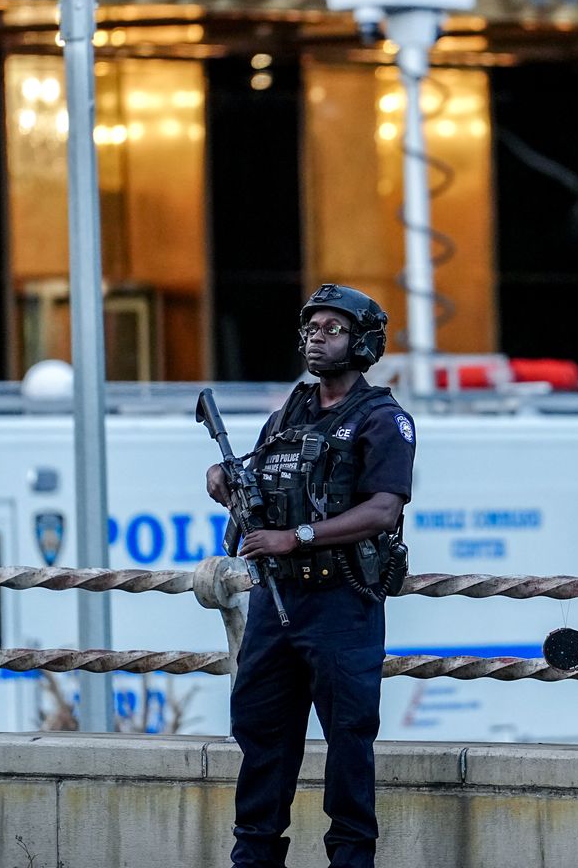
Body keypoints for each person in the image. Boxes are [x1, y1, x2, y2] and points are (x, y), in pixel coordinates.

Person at [206, 283, 414, 868]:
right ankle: (253, 857)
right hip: (277, 601)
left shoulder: (383, 419)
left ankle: (351, 860)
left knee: (349, 742)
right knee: (261, 737)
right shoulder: (288, 414)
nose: (316, 339)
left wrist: (294, 538)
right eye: (311, 329)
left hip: (341, 602)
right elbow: (265, 486)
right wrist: (225, 480)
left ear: (364, 343)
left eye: (332, 329)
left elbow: (383, 509)